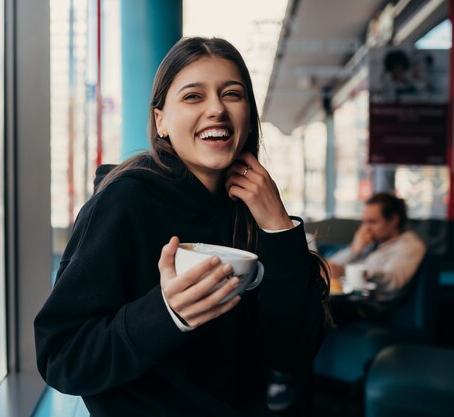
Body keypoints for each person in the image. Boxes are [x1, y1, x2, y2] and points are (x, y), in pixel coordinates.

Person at [34, 37, 330, 417]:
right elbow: (62, 357)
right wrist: (166, 313)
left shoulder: (253, 210)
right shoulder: (125, 201)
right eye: (193, 96)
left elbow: (291, 354)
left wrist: (279, 226)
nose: (217, 110)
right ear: (161, 120)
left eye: (232, 94)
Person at [327, 192, 426, 323]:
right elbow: (328, 267)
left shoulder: (410, 245)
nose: (366, 228)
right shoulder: (370, 242)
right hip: (351, 300)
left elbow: (394, 280)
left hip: (378, 307)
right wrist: (354, 249)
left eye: (372, 222)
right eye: (364, 222)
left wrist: (357, 273)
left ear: (394, 220)